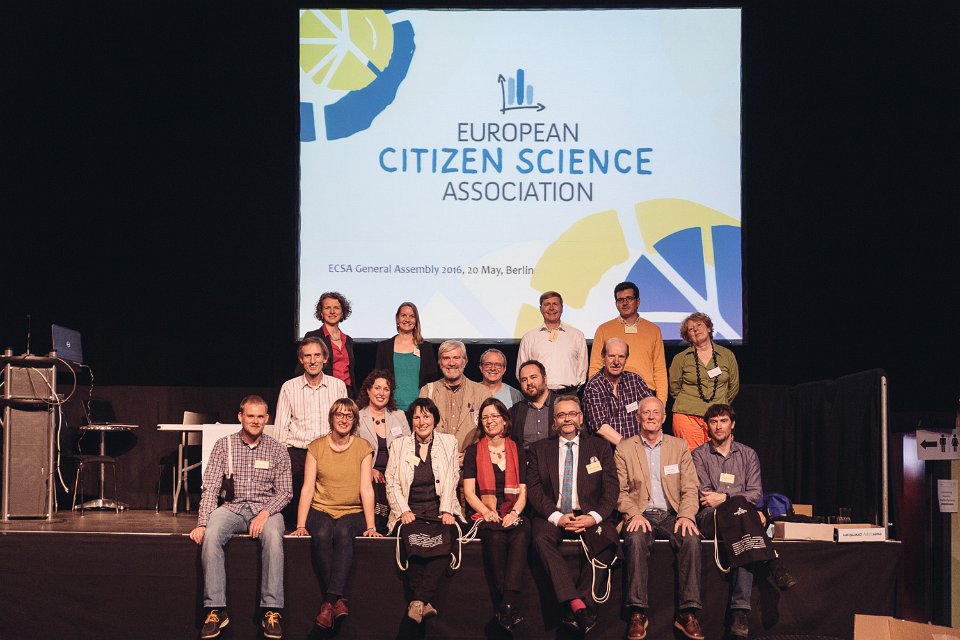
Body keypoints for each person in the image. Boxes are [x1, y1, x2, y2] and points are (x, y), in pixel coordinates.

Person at [190, 396, 292, 640]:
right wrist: (202, 523)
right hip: (232, 508)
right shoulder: (224, 445)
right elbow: (211, 488)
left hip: (266, 508)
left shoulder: (277, 449)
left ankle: (271, 610)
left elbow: (285, 492)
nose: (255, 421)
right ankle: (215, 609)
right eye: (250, 416)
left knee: (273, 536)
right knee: (212, 534)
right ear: (240, 416)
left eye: (260, 417)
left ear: (267, 419)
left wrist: (265, 513)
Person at [691, 404, 797, 639]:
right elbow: (706, 496)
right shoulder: (698, 455)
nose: (718, 426)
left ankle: (740, 615)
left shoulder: (748, 454)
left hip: (740, 519)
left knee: (743, 529)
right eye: (713, 422)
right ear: (707, 427)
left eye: (723, 421)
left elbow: (756, 494)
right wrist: (734, 500)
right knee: (745, 515)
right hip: (710, 518)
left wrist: (726, 498)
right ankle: (773, 563)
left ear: (733, 424)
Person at [526, 395, 618, 634]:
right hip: (553, 513)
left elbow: (611, 489)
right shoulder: (539, 449)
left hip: (589, 513)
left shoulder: (600, 447)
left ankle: (582, 602)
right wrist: (556, 517)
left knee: (608, 540)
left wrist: (593, 517)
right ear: (554, 420)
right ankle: (576, 603)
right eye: (561, 415)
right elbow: (534, 490)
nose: (567, 419)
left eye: (572, 414)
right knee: (539, 538)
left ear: (581, 417)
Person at [615, 396, 703, 640]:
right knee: (635, 539)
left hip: (672, 514)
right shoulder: (624, 448)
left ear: (664, 418)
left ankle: (687, 612)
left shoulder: (679, 446)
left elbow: (690, 488)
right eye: (646, 412)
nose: (651, 416)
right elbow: (619, 491)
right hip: (640, 514)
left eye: (656, 412)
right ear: (638, 417)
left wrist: (686, 516)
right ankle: (637, 612)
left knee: (692, 539)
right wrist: (634, 514)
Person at [290, 398, 382, 630]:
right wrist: (300, 524)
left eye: (349, 416)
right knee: (322, 533)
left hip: (353, 511)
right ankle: (338, 601)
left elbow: (366, 488)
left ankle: (328, 602)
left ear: (354, 420)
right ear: (331, 418)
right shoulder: (316, 447)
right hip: (321, 508)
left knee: (342, 531)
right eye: (339, 415)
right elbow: (308, 488)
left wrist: (371, 526)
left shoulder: (363, 447)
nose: (343, 419)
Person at [385, 397, 463, 623]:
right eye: (416, 417)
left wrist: (447, 510)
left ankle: (418, 600)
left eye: (426, 416)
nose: (421, 422)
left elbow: (452, 478)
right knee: (412, 539)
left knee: (445, 538)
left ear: (435, 419)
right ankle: (423, 602)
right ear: (411, 421)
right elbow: (392, 482)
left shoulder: (449, 442)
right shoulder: (399, 445)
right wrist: (403, 511)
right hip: (411, 511)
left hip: (439, 510)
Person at [462, 398, 530, 631]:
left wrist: (514, 512)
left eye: (494, 416)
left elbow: (523, 491)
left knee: (521, 534)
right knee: (497, 537)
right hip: (486, 512)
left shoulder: (517, 449)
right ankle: (508, 606)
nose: (489, 421)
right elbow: (469, 493)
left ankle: (506, 605)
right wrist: (486, 512)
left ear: (505, 420)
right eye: (485, 417)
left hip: (513, 509)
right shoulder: (473, 451)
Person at [275, 337, 348, 530]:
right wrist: (283, 461)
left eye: (317, 355)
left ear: (325, 358)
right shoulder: (289, 387)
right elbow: (281, 428)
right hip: (298, 453)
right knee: (294, 512)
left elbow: (345, 421)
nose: (313, 360)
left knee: (325, 509)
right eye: (307, 356)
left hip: (328, 451)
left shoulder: (338, 386)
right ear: (301, 360)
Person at [669, 312, 740, 451]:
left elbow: (734, 386)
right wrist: (691, 403)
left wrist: (720, 404)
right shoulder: (680, 358)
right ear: (687, 336)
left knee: (719, 456)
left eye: (699, 325)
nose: (695, 329)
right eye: (690, 329)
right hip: (687, 416)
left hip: (718, 417)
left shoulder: (727, 355)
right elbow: (674, 388)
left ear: (708, 328)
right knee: (691, 457)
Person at [588, 282, 667, 402]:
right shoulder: (604, 329)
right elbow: (595, 366)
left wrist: (661, 403)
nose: (624, 303)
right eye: (620, 300)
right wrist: (596, 395)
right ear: (616, 304)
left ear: (638, 301)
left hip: (645, 394)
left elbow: (659, 369)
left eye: (629, 298)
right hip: (611, 393)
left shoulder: (653, 330)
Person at [355, 369, 411, 533]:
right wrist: (369, 469)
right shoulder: (358, 416)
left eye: (386, 389)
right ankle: (374, 528)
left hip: (395, 472)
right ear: (368, 390)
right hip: (368, 473)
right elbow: (353, 451)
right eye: (377, 388)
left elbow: (408, 447)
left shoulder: (399, 416)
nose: (381, 393)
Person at [418, 339, 491, 455]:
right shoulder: (427, 391)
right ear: (439, 362)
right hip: (435, 458)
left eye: (456, 358)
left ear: (465, 361)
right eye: (446, 358)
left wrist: (470, 456)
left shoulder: (482, 392)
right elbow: (419, 429)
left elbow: (489, 431)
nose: (451, 363)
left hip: (470, 460)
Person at [583, 338, 654, 445]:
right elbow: (599, 425)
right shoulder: (594, 386)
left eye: (621, 357)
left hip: (639, 445)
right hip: (607, 450)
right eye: (611, 356)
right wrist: (626, 446)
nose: (616, 362)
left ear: (626, 358)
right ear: (603, 357)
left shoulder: (635, 381)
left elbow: (651, 410)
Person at [517, 291, 588, 395]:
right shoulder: (529, 338)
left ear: (562, 308)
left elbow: (582, 368)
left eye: (555, 304)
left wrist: (573, 390)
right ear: (540, 309)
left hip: (569, 395)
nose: (551, 308)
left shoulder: (577, 336)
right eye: (547, 304)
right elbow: (521, 371)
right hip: (539, 395)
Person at [374, 302, 439, 411]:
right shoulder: (384, 347)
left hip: (419, 410)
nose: (407, 319)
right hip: (391, 408)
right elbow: (378, 378)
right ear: (397, 319)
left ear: (416, 320)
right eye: (403, 315)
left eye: (412, 316)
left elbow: (432, 379)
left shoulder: (425, 347)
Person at [304, 291, 357, 398]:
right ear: (321, 312)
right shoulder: (313, 336)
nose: (332, 311)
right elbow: (302, 369)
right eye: (327, 308)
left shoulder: (348, 340)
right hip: (323, 392)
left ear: (342, 312)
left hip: (347, 393)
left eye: (336, 308)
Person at [508, 359, 555, 449]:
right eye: (524, 380)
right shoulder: (515, 411)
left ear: (545, 379)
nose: (529, 383)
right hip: (526, 457)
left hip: (555, 457)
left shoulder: (561, 405)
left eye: (533, 377)